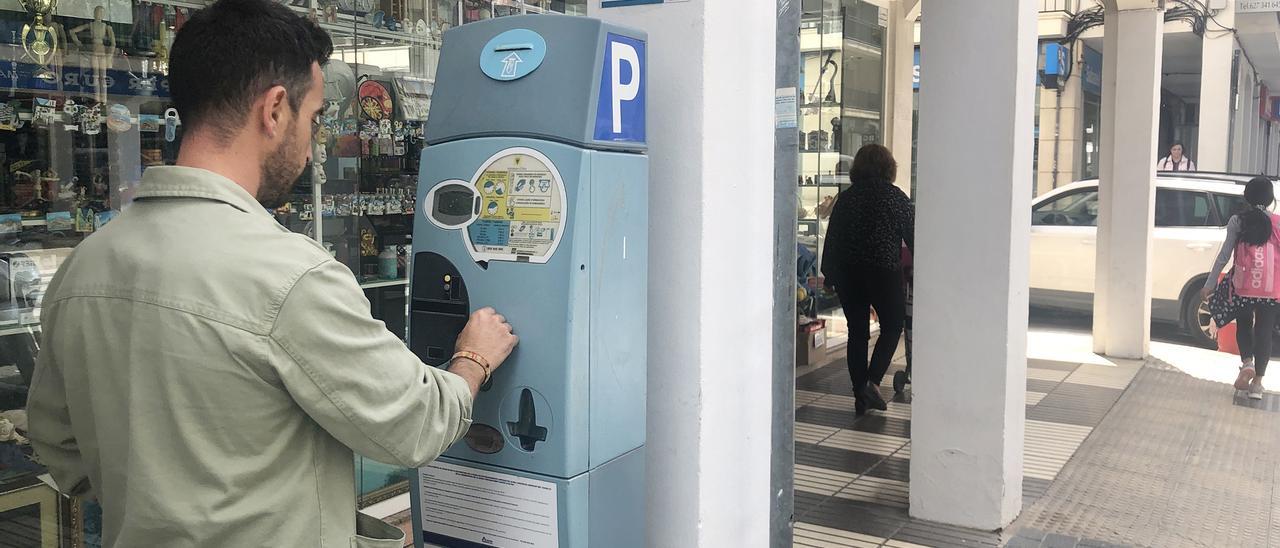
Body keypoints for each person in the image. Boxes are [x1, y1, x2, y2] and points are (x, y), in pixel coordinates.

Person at [24, 0, 518, 545]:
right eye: (314, 119)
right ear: (275, 109)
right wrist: (473, 359)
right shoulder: (290, 276)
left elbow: (58, 445)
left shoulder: (83, 267)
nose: (311, 146)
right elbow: (414, 426)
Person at [821, 144, 914, 416]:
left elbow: (833, 238)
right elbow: (914, 235)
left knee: (857, 332)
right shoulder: (895, 198)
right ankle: (871, 383)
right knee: (892, 325)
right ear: (889, 168)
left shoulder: (847, 198)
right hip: (883, 271)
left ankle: (860, 394)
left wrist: (829, 274)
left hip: (849, 273)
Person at [1202, 176, 1279, 400]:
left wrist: (1210, 284)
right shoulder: (1278, 222)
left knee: (1244, 324)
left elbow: (1224, 255)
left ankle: (1247, 363)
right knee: (1264, 332)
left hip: (1243, 286)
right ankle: (1257, 385)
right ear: (1270, 198)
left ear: (1247, 197)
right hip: (1271, 287)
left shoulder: (1238, 221)